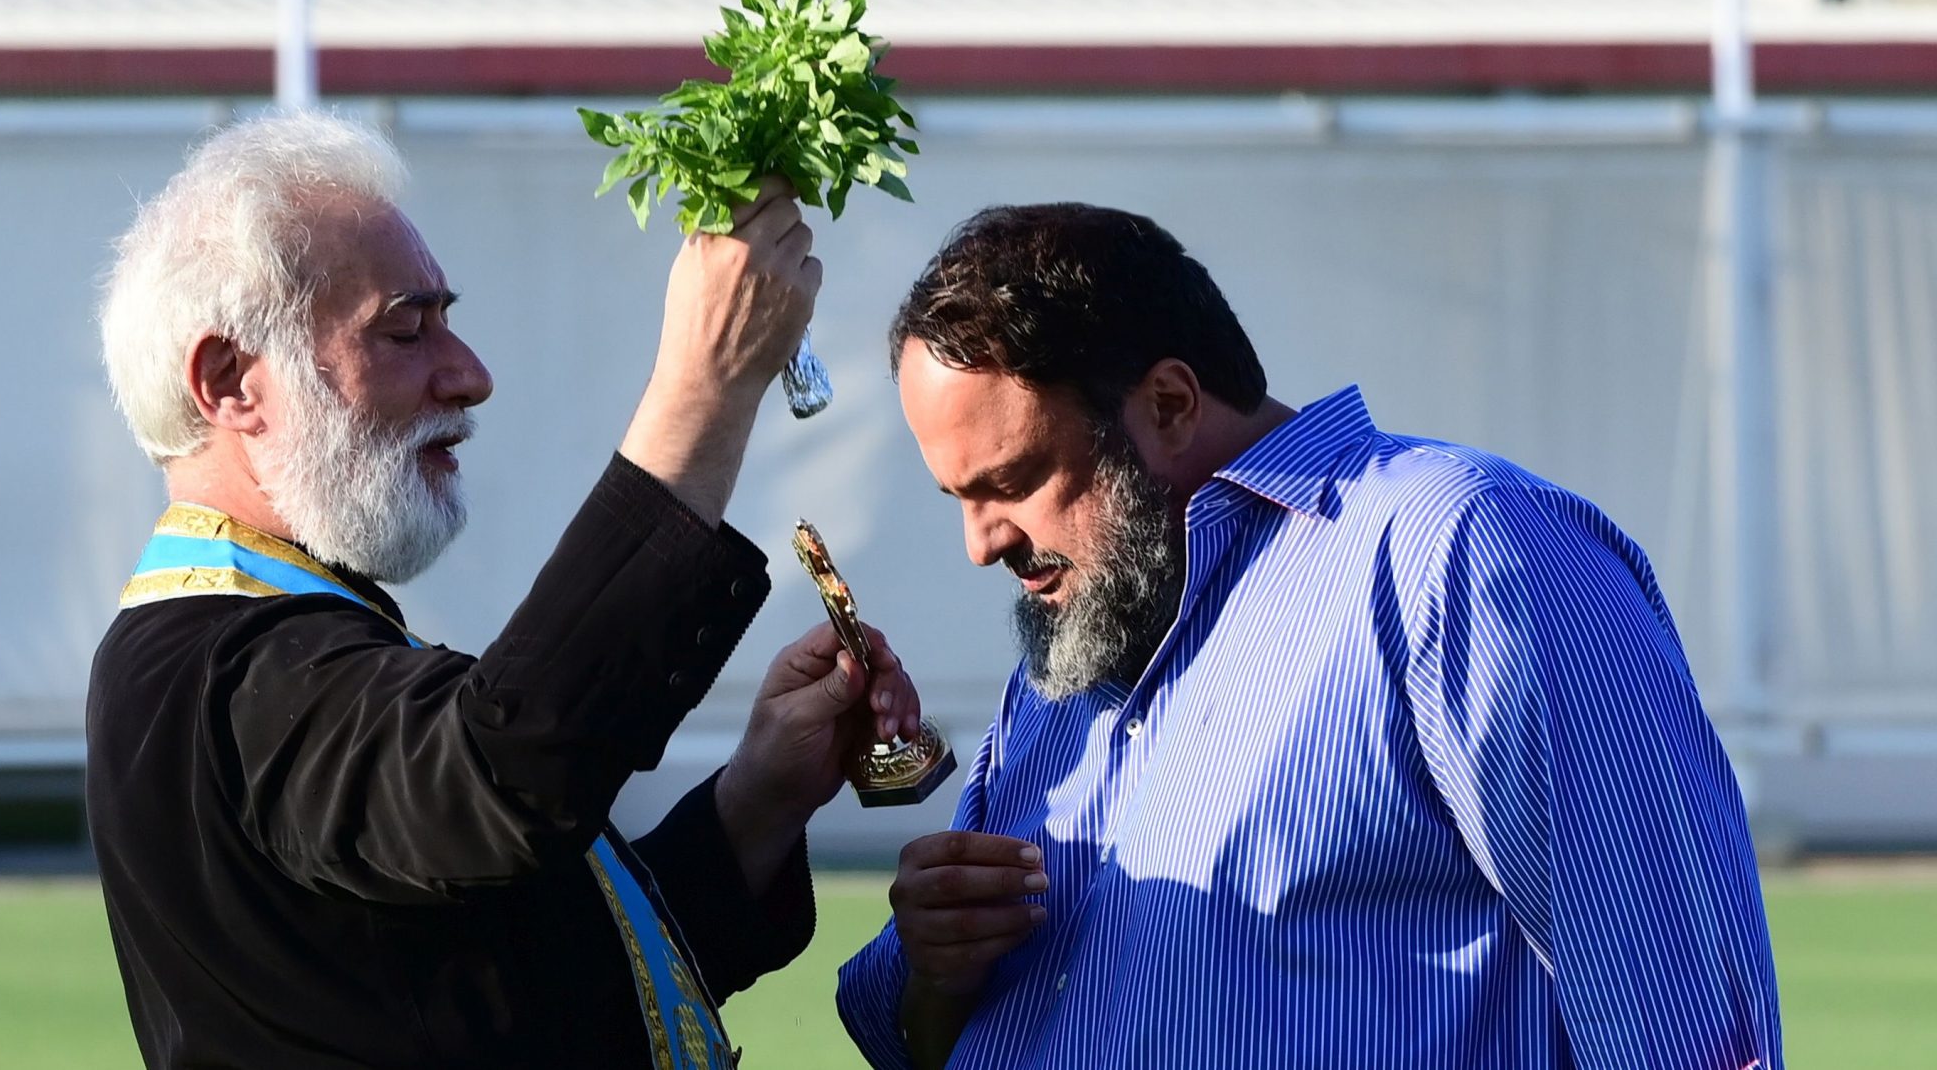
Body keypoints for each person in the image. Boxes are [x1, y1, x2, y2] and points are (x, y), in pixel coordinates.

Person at [837, 204, 1782, 1069]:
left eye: (1012, 480)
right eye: (957, 498)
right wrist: (936, 969)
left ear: (1168, 405)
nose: (981, 543)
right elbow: (922, 1042)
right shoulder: (1077, 640)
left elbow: (1686, 1028)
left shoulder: (1456, 553)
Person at [88, 112, 921, 1069]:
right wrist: (704, 390)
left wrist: (760, 798)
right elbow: (507, 772)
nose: (469, 376)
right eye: (407, 330)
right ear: (232, 381)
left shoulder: (259, 644)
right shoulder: (218, 667)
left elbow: (537, 984)